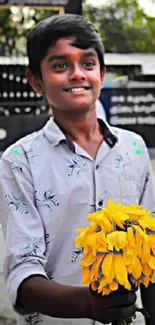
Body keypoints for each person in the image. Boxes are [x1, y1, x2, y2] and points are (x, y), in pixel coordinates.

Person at [0, 14, 155, 325]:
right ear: (36, 81)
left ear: (102, 72)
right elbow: (23, 274)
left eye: (87, 63)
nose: (76, 74)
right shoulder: (20, 160)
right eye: (60, 66)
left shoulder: (135, 148)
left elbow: (149, 246)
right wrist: (87, 304)